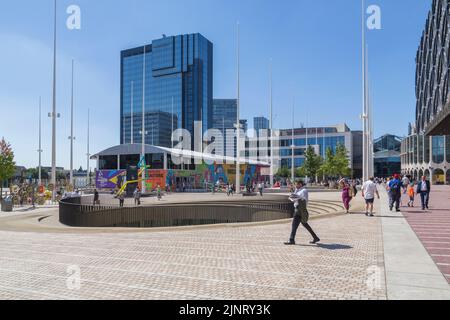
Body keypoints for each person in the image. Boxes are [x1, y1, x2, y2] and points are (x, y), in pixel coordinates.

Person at [284, 180, 320, 246]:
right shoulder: (297, 190)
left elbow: (301, 198)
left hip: (300, 210)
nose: (295, 186)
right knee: (304, 224)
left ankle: (292, 240)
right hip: (298, 209)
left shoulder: (304, 190)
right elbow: (295, 197)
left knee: (294, 225)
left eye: (296, 184)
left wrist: (293, 196)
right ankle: (315, 237)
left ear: (300, 184)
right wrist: (292, 194)